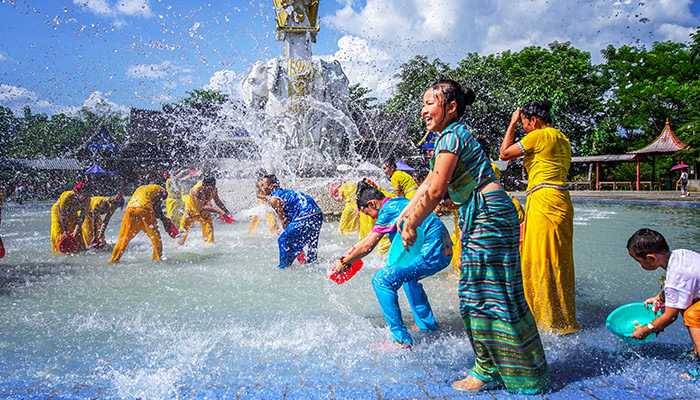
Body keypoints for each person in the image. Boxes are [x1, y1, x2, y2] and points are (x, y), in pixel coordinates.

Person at [397, 79, 551, 394]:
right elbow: (429, 181)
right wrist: (406, 212)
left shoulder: (451, 137)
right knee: (495, 293)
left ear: (451, 107)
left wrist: (413, 223)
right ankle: (516, 368)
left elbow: (438, 190)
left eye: (431, 103)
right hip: (488, 212)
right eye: (424, 103)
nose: (424, 109)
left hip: (488, 215)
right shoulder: (448, 137)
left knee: (478, 295)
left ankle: (487, 369)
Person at [332, 180, 452, 348]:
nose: (371, 218)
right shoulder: (399, 202)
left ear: (372, 203)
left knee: (381, 281)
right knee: (407, 277)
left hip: (431, 253)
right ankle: (427, 325)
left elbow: (368, 246)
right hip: (444, 251)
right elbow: (367, 240)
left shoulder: (387, 210)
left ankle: (400, 340)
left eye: (369, 213)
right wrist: (349, 255)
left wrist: (344, 264)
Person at [500, 100, 579, 335]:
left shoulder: (539, 135)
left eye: (524, 122)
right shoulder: (562, 138)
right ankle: (563, 317)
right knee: (559, 259)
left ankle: (545, 320)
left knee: (540, 259)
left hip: (544, 200)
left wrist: (512, 124)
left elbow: (504, 154)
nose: (523, 127)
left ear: (533, 120)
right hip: (561, 201)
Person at [627, 228, 700, 379]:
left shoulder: (676, 278)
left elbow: (670, 316)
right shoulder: (679, 254)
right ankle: (696, 350)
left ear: (651, 259)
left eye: (638, 261)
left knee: (692, 315)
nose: (639, 265)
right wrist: (660, 297)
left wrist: (646, 329)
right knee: (684, 304)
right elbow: (684, 286)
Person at [260, 175, 322, 269]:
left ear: (271, 186)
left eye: (263, 185)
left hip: (306, 215)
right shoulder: (286, 193)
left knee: (283, 240)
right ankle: (312, 263)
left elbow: (284, 221)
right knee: (311, 240)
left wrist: (290, 238)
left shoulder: (274, 199)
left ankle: (283, 268)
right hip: (317, 213)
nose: (262, 188)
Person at [109, 184, 175, 263]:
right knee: (156, 238)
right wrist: (164, 220)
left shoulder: (141, 189)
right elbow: (157, 206)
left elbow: (155, 208)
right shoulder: (162, 191)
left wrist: (162, 218)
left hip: (130, 210)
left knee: (123, 239)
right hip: (145, 209)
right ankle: (158, 259)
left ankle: (113, 260)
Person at [178, 174, 232, 245]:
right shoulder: (196, 191)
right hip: (190, 213)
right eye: (210, 188)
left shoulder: (214, 189)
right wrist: (219, 212)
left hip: (204, 214)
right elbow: (202, 206)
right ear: (204, 185)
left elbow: (217, 201)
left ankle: (210, 249)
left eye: (213, 186)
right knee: (181, 235)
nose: (211, 189)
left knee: (210, 237)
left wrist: (226, 211)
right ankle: (178, 246)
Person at [50, 182, 92, 255]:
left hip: (72, 212)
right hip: (58, 211)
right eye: (83, 194)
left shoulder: (88, 200)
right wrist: (65, 231)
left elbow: (81, 217)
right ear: (77, 193)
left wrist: (75, 230)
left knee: (78, 233)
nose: (85, 197)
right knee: (59, 230)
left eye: (87, 194)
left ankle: (79, 250)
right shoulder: (67, 196)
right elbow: (62, 215)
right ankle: (59, 252)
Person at [357, 178, 393, 254]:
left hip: (382, 238)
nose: (372, 217)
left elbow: (367, 236)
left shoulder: (371, 206)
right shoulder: (387, 197)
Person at [248, 169, 279, 236]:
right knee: (254, 220)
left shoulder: (270, 182)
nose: (257, 178)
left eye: (258, 176)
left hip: (270, 206)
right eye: (257, 177)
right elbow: (257, 195)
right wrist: (267, 197)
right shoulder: (257, 182)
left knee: (272, 222)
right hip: (262, 205)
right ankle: (249, 235)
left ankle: (276, 235)